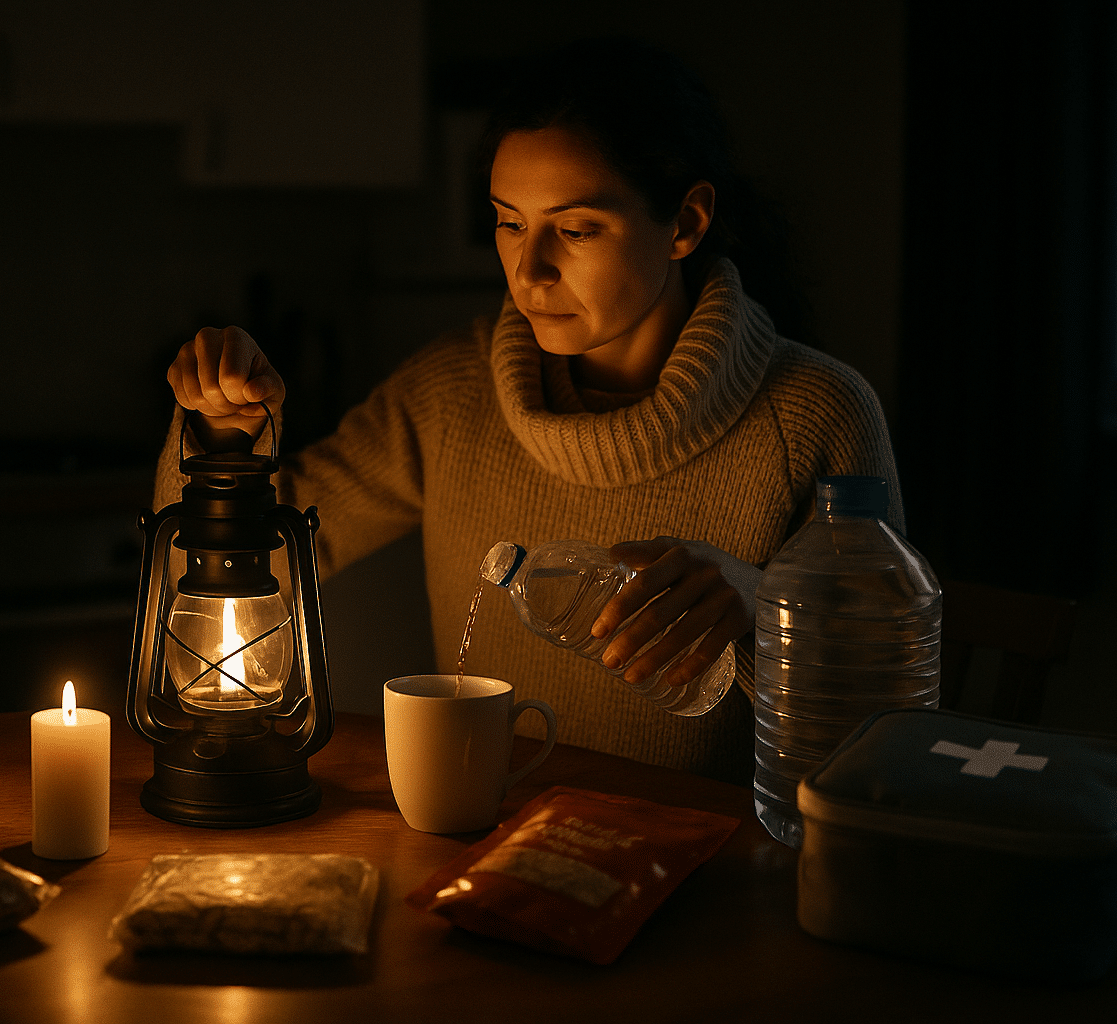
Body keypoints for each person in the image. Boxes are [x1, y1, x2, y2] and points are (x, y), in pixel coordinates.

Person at [156, 38, 901, 784]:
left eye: (575, 230)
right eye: (509, 222)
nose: (530, 269)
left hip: (707, 862)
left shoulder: (815, 416)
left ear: (686, 223)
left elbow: (881, 721)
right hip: (489, 840)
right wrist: (225, 434)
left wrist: (764, 603)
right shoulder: (451, 395)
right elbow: (229, 560)